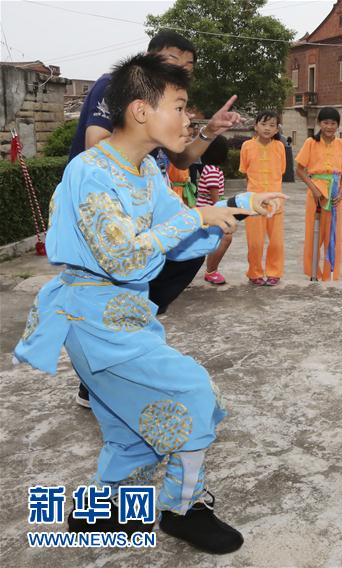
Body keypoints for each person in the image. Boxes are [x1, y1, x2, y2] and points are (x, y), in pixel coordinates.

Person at [13, 53, 286, 554]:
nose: (190, 120)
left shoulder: (143, 173)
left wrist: (239, 208)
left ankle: (96, 515)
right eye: (180, 107)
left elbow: (180, 235)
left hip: (125, 318)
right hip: (95, 321)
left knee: (126, 427)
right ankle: (183, 508)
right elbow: (122, 256)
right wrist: (196, 219)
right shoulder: (90, 172)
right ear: (141, 110)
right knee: (196, 396)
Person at [68, 31, 242, 408]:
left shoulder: (148, 164)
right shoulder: (116, 88)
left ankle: (129, 343)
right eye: (172, 60)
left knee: (192, 243)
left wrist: (208, 131)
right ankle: (103, 375)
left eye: (188, 66)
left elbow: (180, 159)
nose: (181, 69)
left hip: (143, 200)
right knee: (113, 286)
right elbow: (98, 146)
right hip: (111, 211)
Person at [295, 107, 342, 281]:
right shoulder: (310, 143)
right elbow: (299, 170)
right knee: (313, 233)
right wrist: (314, 189)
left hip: (335, 193)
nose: (329, 126)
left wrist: (341, 194)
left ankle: (329, 275)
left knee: (332, 233)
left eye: (333, 123)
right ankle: (313, 272)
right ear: (319, 123)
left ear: (338, 125)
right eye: (325, 122)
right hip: (315, 192)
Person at [240, 111, 286, 286]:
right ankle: (255, 272)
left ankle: (274, 272)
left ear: (276, 129)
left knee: (276, 242)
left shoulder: (280, 147)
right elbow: (245, 171)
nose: (267, 128)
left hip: (276, 200)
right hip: (254, 200)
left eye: (272, 125)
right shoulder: (247, 146)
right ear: (256, 126)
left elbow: (281, 170)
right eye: (264, 124)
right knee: (255, 242)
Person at [197, 136, 232, 285]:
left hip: (207, 212)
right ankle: (211, 271)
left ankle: (211, 270)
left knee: (218, 240)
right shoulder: (212, 171)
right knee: (226, 237)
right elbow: (215, 199)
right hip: (208, 214)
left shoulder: (212, 169)